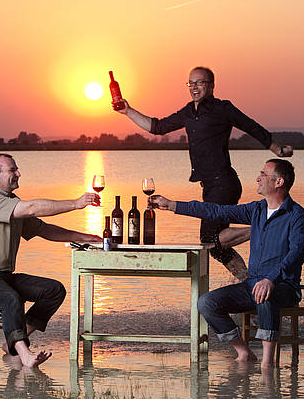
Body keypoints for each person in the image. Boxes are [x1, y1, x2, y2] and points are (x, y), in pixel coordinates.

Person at [115, 66, 293, 281]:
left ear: (211, 85)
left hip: (224, 183)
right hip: (209, 185)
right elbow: (157, 127)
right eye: (191, 83)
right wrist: (128, 111)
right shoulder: (189, 112)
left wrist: (276, 148)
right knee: (215, 247)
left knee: (209, 239)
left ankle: (261, 228)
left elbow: (250, 126)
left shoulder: (222, 108)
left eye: (200, 82)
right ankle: (250, 285)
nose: (195, 87)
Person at [149, 158, 304, 369]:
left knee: (264, 293)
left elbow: (297, 253)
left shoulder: (297, 215)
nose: (258, 178)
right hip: (252, 284)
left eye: (263, 174)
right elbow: (216, 211)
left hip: (284, 287)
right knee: (206, 303)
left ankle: (267, 363)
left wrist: (271, 279)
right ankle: (244, 352)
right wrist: (172, 205)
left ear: (278, 182)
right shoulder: (256, 210)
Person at [0, 153, 101, 368]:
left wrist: (81, 237)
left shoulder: (12, 204)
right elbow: (33, 207)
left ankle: (12, 343)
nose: (18, 174)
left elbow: (44, 230)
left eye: (17, 169)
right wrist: (76, 203)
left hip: (3, 276)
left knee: (53, 290)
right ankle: (24, 353)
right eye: (12, 170)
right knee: (11, 298)